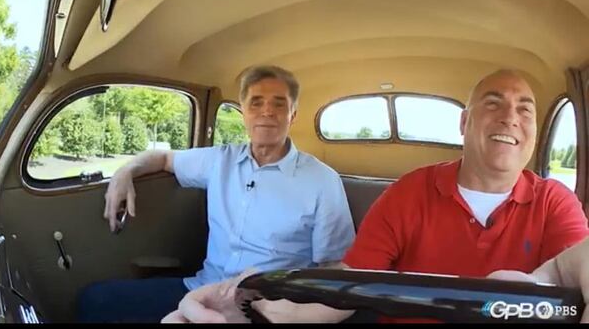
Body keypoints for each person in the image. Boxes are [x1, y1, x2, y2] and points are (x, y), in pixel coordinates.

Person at [162, 69, 589, 323]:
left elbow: (574, 274)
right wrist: (251, 305)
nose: (510, 117)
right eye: (493, 104)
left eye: (525, 109)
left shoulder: (556, 202)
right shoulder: (410, 193)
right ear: (464, 122)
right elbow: (341, 293)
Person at [77, 65, 356, 322]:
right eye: (256, 102)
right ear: (244, 112)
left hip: (266, 305)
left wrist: (285, 307)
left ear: (292, 114)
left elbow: (333, 267)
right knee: (96, 299)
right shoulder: (219, 160)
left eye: (279, 103)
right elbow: (162, 158)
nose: (267, 111)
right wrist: (126, 172)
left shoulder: (322, 181)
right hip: (203, 288)